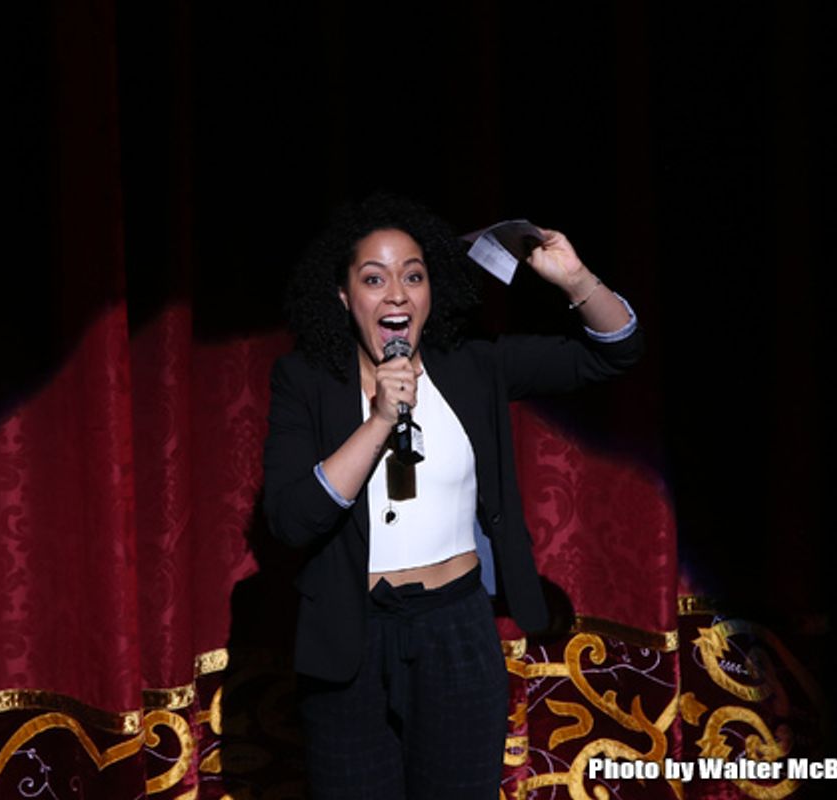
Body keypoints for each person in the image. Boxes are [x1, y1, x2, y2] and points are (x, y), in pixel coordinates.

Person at [263, 193, 643, 799]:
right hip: (350, 639)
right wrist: (380, 419)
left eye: (413, 276)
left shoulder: (471, 366)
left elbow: (614, 353)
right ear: (343, 297)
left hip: (456, 630)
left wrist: (575, 279)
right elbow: (291, 520)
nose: (397, 294)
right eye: (374, 278)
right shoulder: (305, 382)